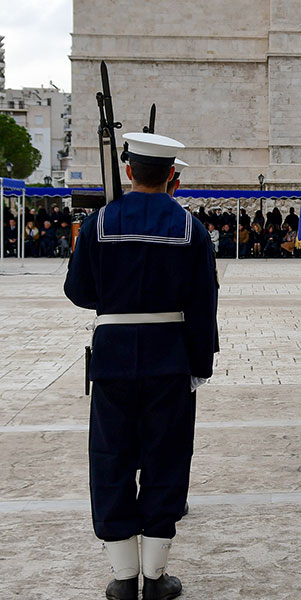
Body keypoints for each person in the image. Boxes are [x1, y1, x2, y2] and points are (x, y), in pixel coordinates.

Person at [64, 132, 218, 600]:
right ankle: (155, 577)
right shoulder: (191, 228)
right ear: (172, 175)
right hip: (169, 354)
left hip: (112, 354)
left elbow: (77, 290)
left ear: (130, 172)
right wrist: (199, 363)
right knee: (165, 456)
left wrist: (113, 303)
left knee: (111, 458)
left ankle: (123, 576)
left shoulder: (98, 222)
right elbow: (203, 301)